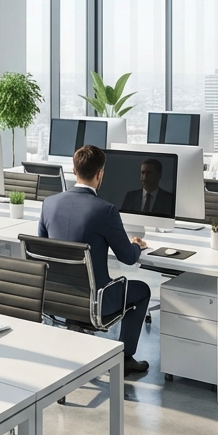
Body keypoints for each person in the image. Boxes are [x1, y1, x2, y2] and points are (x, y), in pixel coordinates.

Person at [38, 145, 151, 376]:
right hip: (96, 302)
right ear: (100, 174)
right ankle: (124, 357)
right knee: (143, 290)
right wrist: (137, 245)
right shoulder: (106, 210)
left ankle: (75, 325)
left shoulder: (49, 204)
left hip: (58, 300)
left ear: (73, 170)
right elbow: (128, 258)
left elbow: (43, 252)